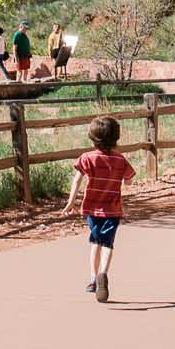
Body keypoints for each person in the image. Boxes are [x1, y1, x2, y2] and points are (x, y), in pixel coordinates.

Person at [63, 113, 135, 302]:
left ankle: (95, 278)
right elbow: (129, 181)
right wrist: (123, 181)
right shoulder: (120, 160)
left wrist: (71, 202)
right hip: (113, 209)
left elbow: (77, 180)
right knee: (108, 244)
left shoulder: (87, 158)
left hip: (92, 208)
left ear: (93, 138)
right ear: (116, 138)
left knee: (95, 242)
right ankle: (104, 272)